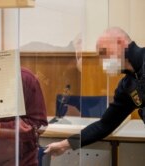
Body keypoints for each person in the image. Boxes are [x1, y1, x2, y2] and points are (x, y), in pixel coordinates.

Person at [44, 27, 145, 156]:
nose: (103, 61)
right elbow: (104, 125)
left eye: (104, 52)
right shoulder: (127, 85)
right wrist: (65, 145)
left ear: (120, 42)